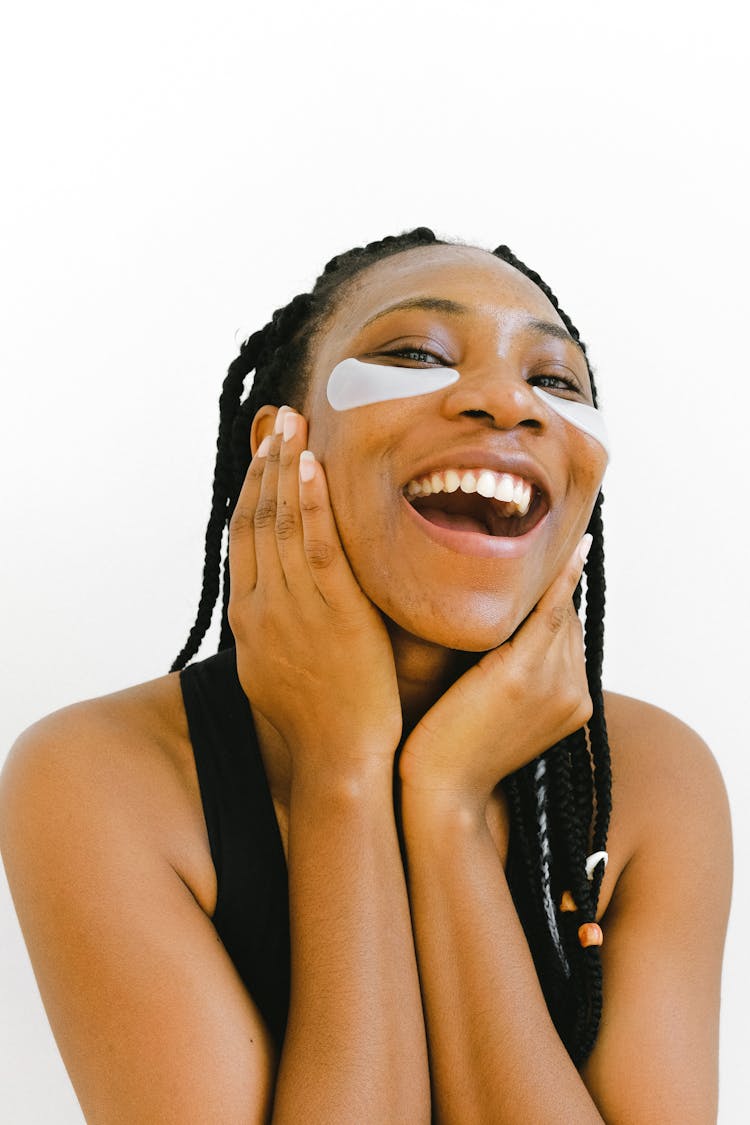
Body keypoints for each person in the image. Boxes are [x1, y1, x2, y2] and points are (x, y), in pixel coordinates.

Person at [0, 228, 732, 1123]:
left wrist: (446, 804)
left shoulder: (658, 780)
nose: (509, 401)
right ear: (281, 442)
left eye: (554, 381)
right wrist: (343, 767)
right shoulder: (98, 774)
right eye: (417, 353)